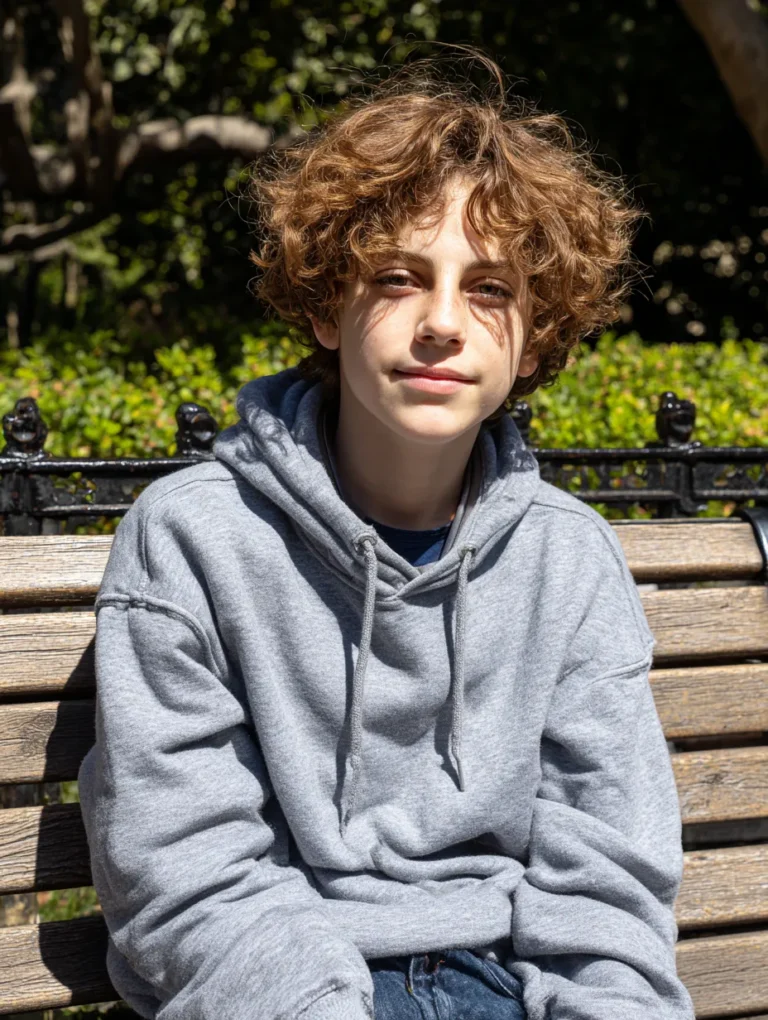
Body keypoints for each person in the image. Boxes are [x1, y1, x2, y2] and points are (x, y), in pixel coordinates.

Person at [77, 51, 696, 1020]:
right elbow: (186, 875)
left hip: (512, 990)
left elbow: (608, 883)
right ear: (328, 303)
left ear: (533, 336)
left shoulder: (568, 563)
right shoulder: (192, 544)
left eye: (489, 288)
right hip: (292, 992)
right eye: (400, 277)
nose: (443, 322)